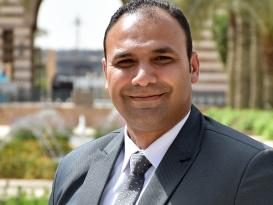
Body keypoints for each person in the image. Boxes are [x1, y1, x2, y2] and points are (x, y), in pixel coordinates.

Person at [49, 0, 273, 204]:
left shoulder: (247, 170)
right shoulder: (74, 168)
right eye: (125, 61)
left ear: (193, 67)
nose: (143, 78)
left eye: (162, 59)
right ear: (106, 74)